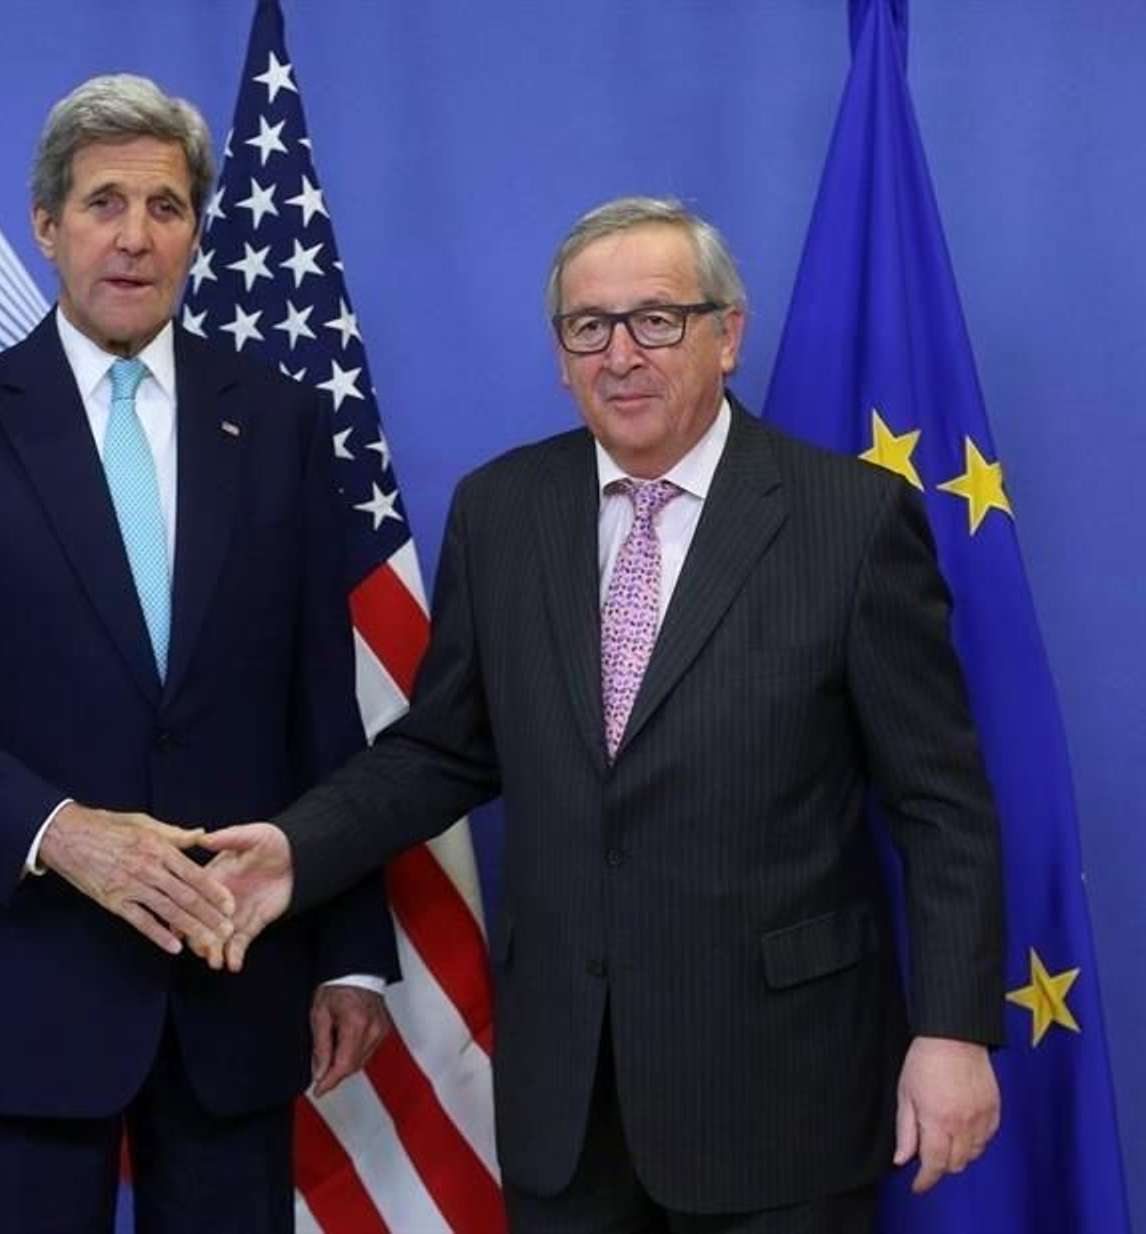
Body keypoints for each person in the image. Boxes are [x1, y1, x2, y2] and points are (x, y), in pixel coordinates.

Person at [200, 197, 1005, 1233]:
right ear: (560, 353)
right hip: (566, 1097)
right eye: (589, 326)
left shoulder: (848, 520)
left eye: (656, 319)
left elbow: (940, 804)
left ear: (727, 335)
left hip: (778, 1089)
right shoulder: (501, 511)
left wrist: (952, 1030)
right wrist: (298, 846)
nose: (621, 355)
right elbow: (444, 749)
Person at [0, 74, 395, 1234]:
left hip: (233, 984)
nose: (134, 236)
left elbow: (321, 711)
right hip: (17, 982)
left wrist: (349, 955)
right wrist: (60, 832)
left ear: (196, 231)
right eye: (103, 203)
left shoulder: (278, 422)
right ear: (47, 225)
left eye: (165, 206)